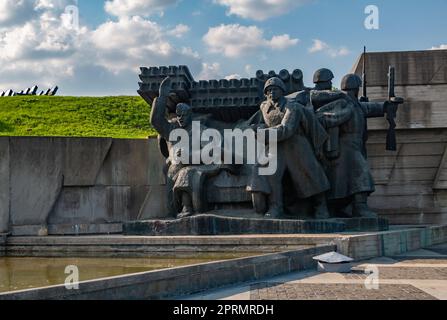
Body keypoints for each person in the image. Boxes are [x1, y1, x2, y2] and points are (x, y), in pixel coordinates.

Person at [253, 77, 331, 219]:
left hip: (296, 144)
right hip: (275, 146)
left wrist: (262, 133)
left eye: (274, 90)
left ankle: (321, 206)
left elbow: (287, 129)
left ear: (282, 91)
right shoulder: (264, 107)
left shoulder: (292, 107)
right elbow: (261, 122)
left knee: (311, 174)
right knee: (272, 176)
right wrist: (256, 128)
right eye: (268, 91)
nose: (271, 93)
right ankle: (275, 207)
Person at [316, 74, 390, 218]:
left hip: (355, 146)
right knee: (361, 174)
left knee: (343, 182)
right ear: (355, 88)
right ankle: (360, 207)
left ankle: (342, 208)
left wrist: (386, 105)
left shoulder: (354, 103)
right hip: (346, 147)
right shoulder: (343, 103)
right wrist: (341, 116)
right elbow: (325, 117)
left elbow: (368, 108)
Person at [151, 77, 222, 218]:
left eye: (184, 115)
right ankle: (177, 212)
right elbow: (156, 121)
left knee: (186, 173)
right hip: (173, 169)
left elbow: (210, 150)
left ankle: (187, 207)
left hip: (194, 166)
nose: (181, 118)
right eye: (179, 115)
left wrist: (190, 157)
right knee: (171, 210)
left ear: (190, 115)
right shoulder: (173, 129)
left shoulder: (199, 130)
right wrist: (162, 97)